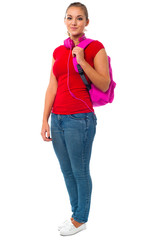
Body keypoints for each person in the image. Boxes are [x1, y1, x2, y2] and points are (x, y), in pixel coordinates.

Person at [41, 2, 110, 236]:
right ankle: (76, 215)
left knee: (80, 170)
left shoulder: (95, 48)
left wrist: (81, 60)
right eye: (69, 17)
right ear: (64, 21)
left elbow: (104, 83)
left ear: (86, 23)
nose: (74, 22)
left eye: (79, 18)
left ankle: (81, 218)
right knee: (67, 170)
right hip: (58, 119)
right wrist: (44, 120)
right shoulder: (58, 52)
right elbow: (52, 86)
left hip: (80, 118)